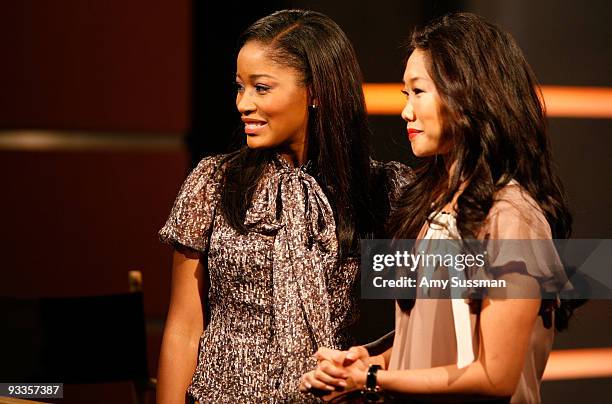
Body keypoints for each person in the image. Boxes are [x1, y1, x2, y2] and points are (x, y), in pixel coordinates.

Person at [300, 12, 582, 403]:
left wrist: (372, 380)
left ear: (466, 95)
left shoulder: (512, 215)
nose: (406, 111)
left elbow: (494, 376)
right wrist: (369, 363)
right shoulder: (429, 205)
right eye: (405, 94)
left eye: (418, 92)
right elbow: (433, 342)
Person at [156, 9, 412, 404]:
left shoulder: (376, 189)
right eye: (239, 87)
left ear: (316, 92)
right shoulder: (214, 181)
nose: (243, 103)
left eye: (261, 88)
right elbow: (184, 326)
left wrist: (374, 366)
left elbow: (438, 312)